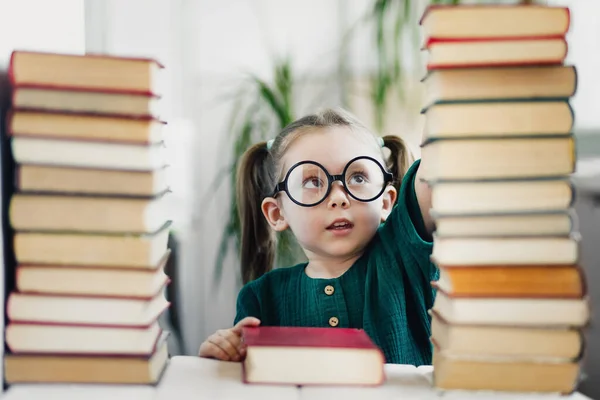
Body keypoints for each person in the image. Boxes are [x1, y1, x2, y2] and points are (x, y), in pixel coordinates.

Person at [199, 107, 437, 365]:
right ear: (277, 213)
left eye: (357, 177)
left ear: (386, 201)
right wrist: (223, 357)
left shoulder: (403, 255)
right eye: (312, 182)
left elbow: (439, 157)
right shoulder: (260, 298)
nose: (338, 198)